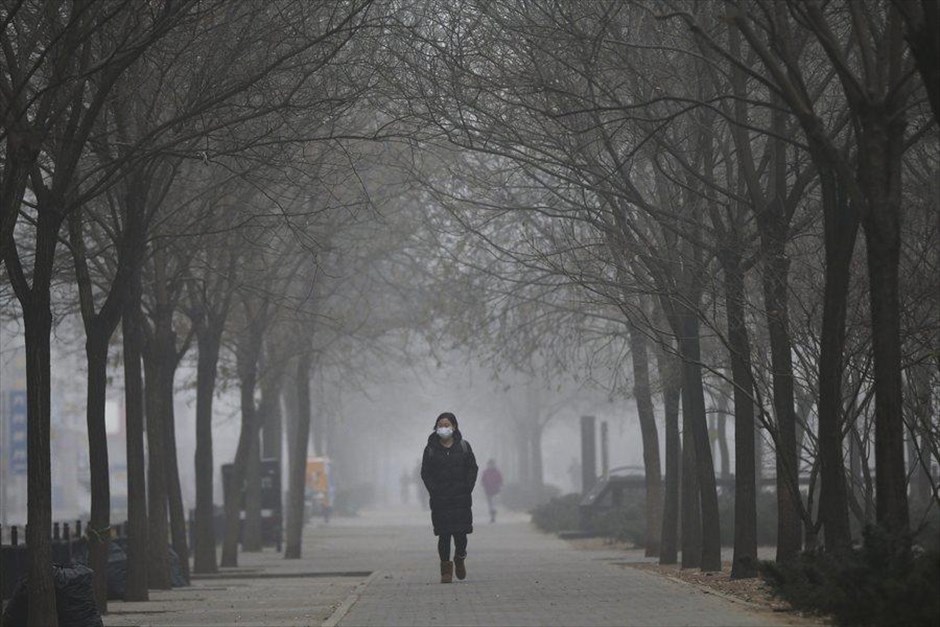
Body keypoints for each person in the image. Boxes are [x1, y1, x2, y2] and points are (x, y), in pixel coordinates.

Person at [421, 412, 478, 583]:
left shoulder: (464, 446)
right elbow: (425, 473)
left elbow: (472, 468)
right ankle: (446, 569)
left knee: (461, 535)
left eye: (446, 424)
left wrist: (468, 487)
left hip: (461, 499)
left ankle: (459, 558)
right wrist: (434, 490)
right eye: (440, 425)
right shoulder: (430, 449)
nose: (443, 428)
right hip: (441, 500)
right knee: (444, 535)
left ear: (454, 426)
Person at [481, 459, 503, 523]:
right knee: (490, 504)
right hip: (488, 491)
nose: (491, 465)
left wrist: (499, 485)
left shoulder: (497, 472)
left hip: (496, 491)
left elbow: (500, 480)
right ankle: (492, 515)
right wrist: (484, 485)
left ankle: (493, 514)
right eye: (490, 464)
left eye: (492, 464)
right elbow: (482, 480)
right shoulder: (485, 472)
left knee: (494, 503)